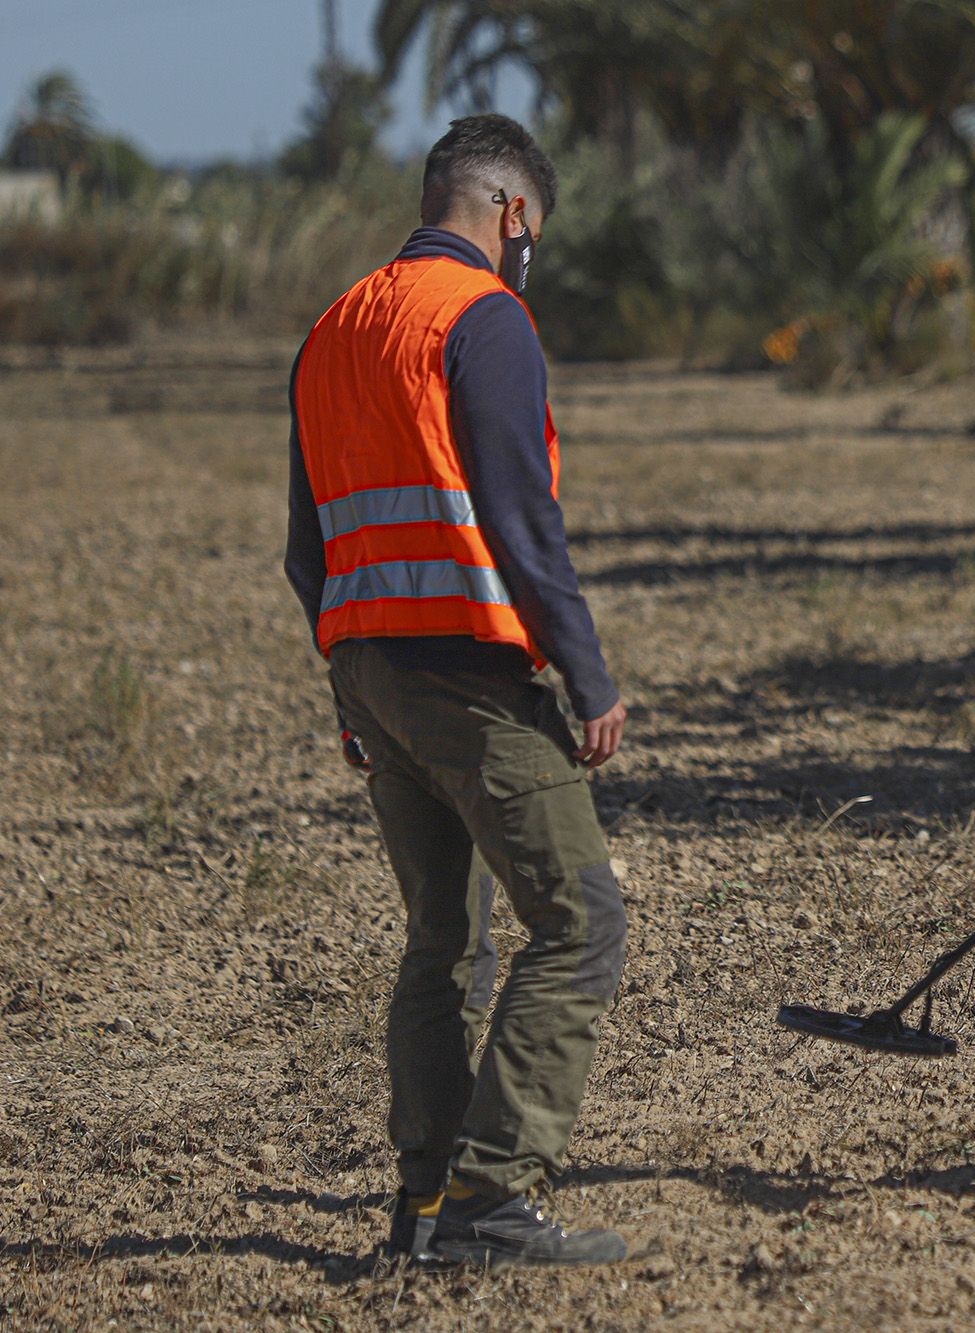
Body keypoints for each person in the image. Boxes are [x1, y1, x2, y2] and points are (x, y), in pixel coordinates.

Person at [284, 114, 631, 1264]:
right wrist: (585, 675)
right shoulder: (486, 318)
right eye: (537, 232)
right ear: (511, 212)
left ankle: (422, 1201)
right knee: (579, 920)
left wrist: (348, 690)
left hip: (371, 673)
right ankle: (492, 1203)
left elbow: (307, 549)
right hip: (467, 670)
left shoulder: (334, 328)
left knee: (442, 935)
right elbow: (522, 515)